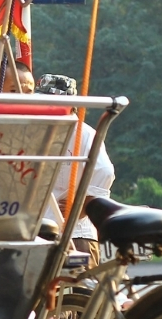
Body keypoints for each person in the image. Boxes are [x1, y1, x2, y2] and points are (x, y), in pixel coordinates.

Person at [31, 74, 115, 267]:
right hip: (37, 231)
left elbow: (104, 172)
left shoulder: (84, 134)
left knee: (80, 293)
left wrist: (81, 206)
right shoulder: (36, 129)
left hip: (75, 234)